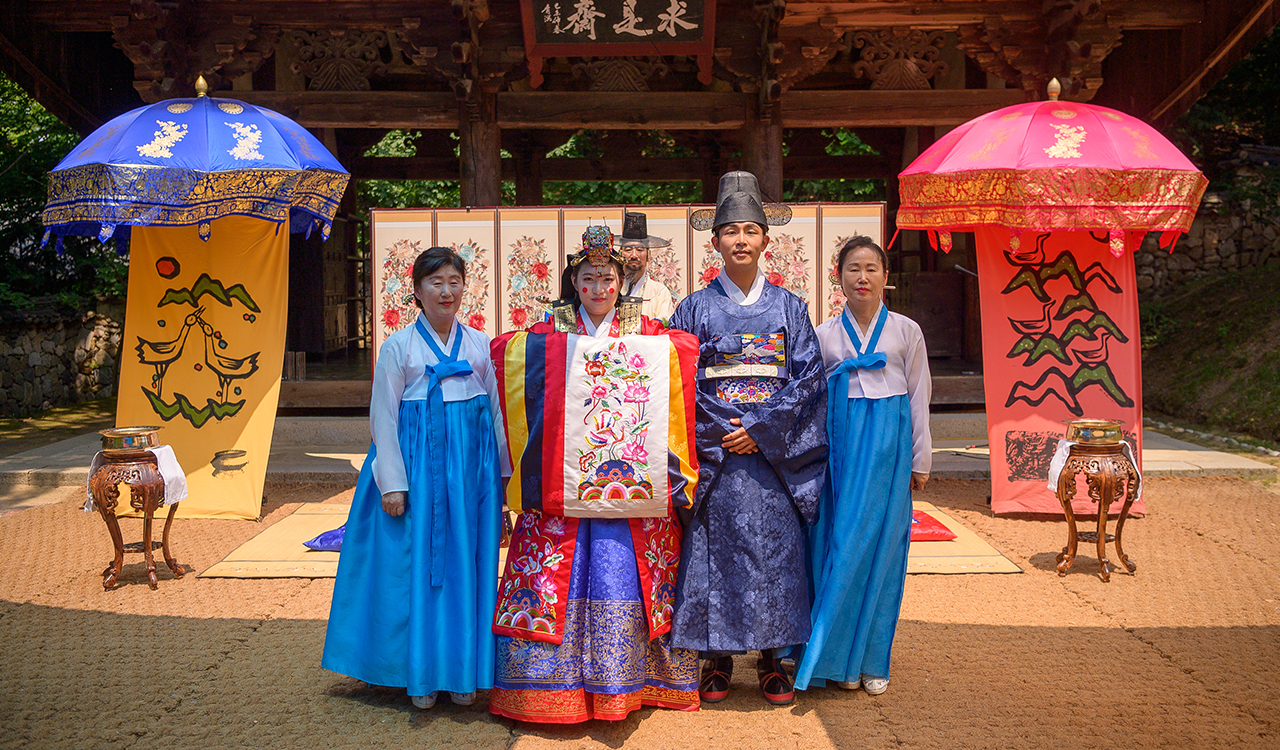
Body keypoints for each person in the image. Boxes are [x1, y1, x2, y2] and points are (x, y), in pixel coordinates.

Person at [488, 225, 701, 723]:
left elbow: (681, 353)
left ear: (620, 282)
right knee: (551, 572)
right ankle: (544, 688)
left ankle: (630, 683)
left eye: (608, 278)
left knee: (628, 569)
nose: (599, 288)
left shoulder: (647, 332)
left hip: (630, 483)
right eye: (589, 278)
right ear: (574, 282)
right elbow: (509, 353)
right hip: (566, 479)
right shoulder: (550, 331)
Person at [668, 171, 828, 706]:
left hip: (772, 453)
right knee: (713, 548)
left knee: (774, 550)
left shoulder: (790, 309)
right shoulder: (694, 308)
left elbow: (807, 378)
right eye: (730, 231)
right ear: (713, 242)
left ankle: (772, 656)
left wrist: (759, 431)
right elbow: (678, 377)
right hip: (716, 450)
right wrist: (726, 430)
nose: (740, 240)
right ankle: (714, 656)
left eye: (750, 231)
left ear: (765, 240)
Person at [322, 247, 506, 710]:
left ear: (465, 287)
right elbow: (383, 418)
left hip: (468, 476)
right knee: (416, 570)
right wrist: (393, 483)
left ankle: (464, 672)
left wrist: (503, 480)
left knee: (467, 566)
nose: (446, 291)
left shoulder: (482, 345)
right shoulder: (398, 346)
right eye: (435, 282)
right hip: (418, 471)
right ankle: (419, 674)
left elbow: (497, 416)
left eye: (454, 281)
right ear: (417, 291)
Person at [795, 236, 932, 697]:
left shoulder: (907, 331)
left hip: (889, 449)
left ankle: (871, 658)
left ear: (886, 277)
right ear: (839, 278)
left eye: (872, 268)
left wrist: (920, 457)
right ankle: (823, 654)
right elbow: (809, 400)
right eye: (853, 268)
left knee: (881, 549)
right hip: (839, 444)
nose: (862, 277)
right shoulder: (824, 332)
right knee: (834, 542)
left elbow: (918, 396)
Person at [618, 210, 677, 321]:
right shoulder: (612, 289)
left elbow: (663, 327)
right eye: (628, 250)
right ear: (620, 254)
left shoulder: (659, 292)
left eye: (640, 250)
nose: (634, 255)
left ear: (648, 256)